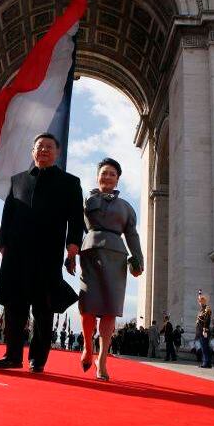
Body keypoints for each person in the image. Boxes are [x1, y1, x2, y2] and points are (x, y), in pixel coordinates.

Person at [0, 133, 84, 373]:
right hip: (16, 253)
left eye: (49, 147)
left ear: (57, 152)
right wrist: (3, 244)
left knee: (43, 308)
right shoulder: (17, 180)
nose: (43, 150)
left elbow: (76, 219)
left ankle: (38, 358)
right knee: (14, 306)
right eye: (39, 146)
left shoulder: (70, 182)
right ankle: (12, 355)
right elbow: (7, 215)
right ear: (32, 151)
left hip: (48, 253)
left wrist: (73, 246)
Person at [77, 157, 143, 380]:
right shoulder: (86, 200)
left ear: (117, 179)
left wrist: (138, 259)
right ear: (97, 176)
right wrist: (71, 251)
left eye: (112, 174)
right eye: (104, 173)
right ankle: (88, 346)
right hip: (90, 254)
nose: (107, 177)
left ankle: (102, 360)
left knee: (110, 309)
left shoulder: (126, 207)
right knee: (86, 306)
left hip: (116, 258)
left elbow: (132, 235)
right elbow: (75, 226)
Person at [196, 290, 212, 368]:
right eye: (199, 301)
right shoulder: (201, 310)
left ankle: (206, 362)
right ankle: (207, 362)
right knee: (204, 347)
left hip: (204, 331)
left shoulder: (207, 309)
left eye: (201, 301)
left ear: (203, 301)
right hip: (200, 331)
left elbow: (207, 320)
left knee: (205, 347)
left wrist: (204, 330)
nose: (200, 303)